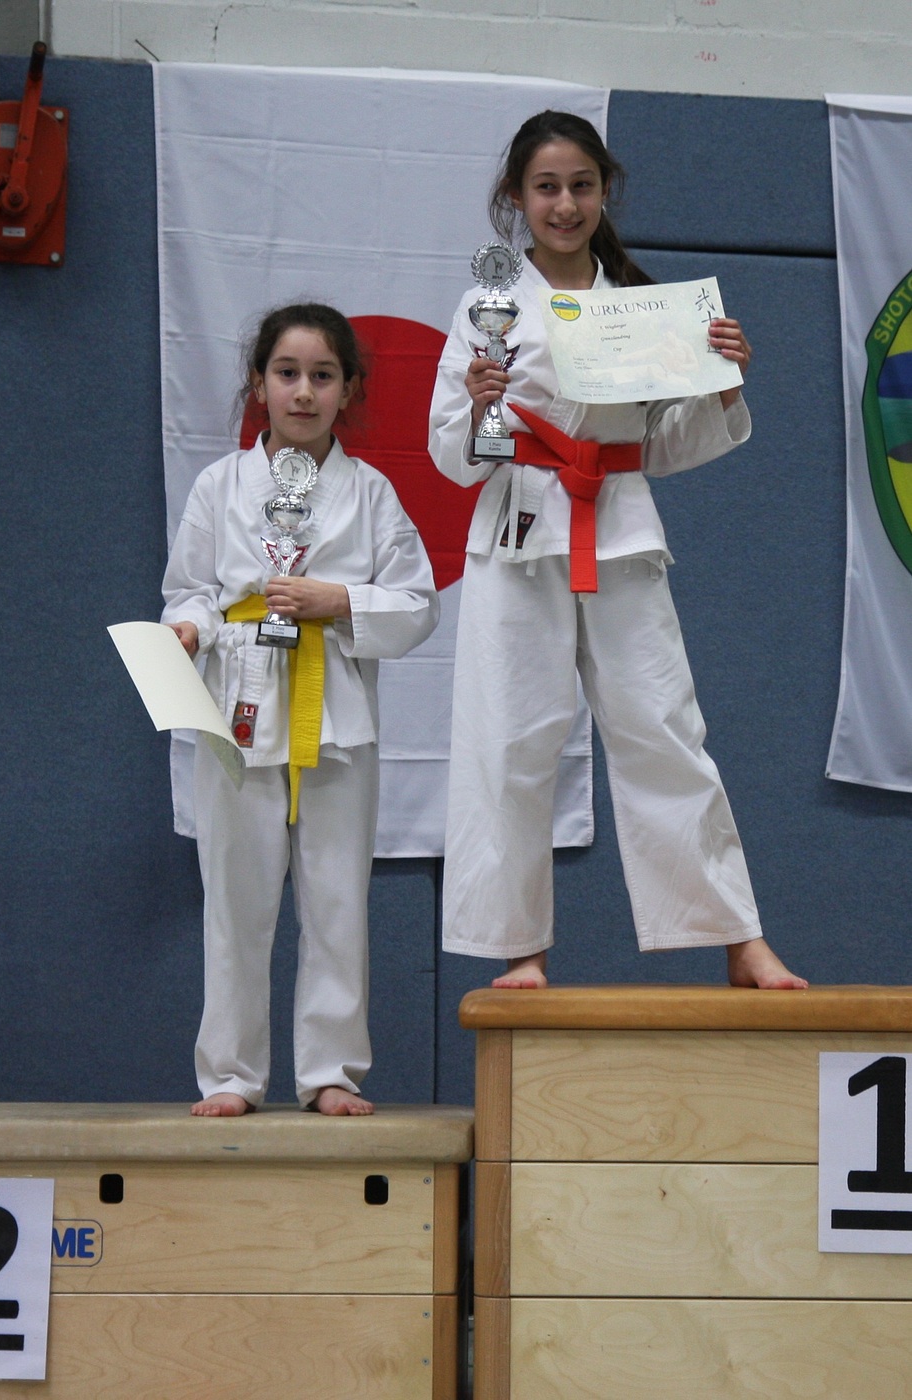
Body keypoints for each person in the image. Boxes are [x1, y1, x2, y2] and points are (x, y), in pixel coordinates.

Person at [428, 110, 806, 992]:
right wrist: (479, 404)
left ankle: (737, 937)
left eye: (581, 186)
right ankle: (520, 950)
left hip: (620, 529)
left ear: (604, 192)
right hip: (519, 532)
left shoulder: (640, 303)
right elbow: (450, 456)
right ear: (516, 198)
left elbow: (661, 447)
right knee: (510, 739)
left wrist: (721, 387)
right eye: (546, 188)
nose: (564, 204)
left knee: (665, 729)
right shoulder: (484, 307)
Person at [163, 302, 440, 1115]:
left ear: (349, 389)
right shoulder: (220, 485)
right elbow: (190, 587)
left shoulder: (372, 493)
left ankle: (329, 1071)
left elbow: (416, 604)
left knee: (336, 898)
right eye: (287, 373)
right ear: (258, 384)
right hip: (238, 704)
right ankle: (229, 1074)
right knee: (234, 900)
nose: (304, 392)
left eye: (323, 376)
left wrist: (338, 600)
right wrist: (188, 627)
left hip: (336, 713)